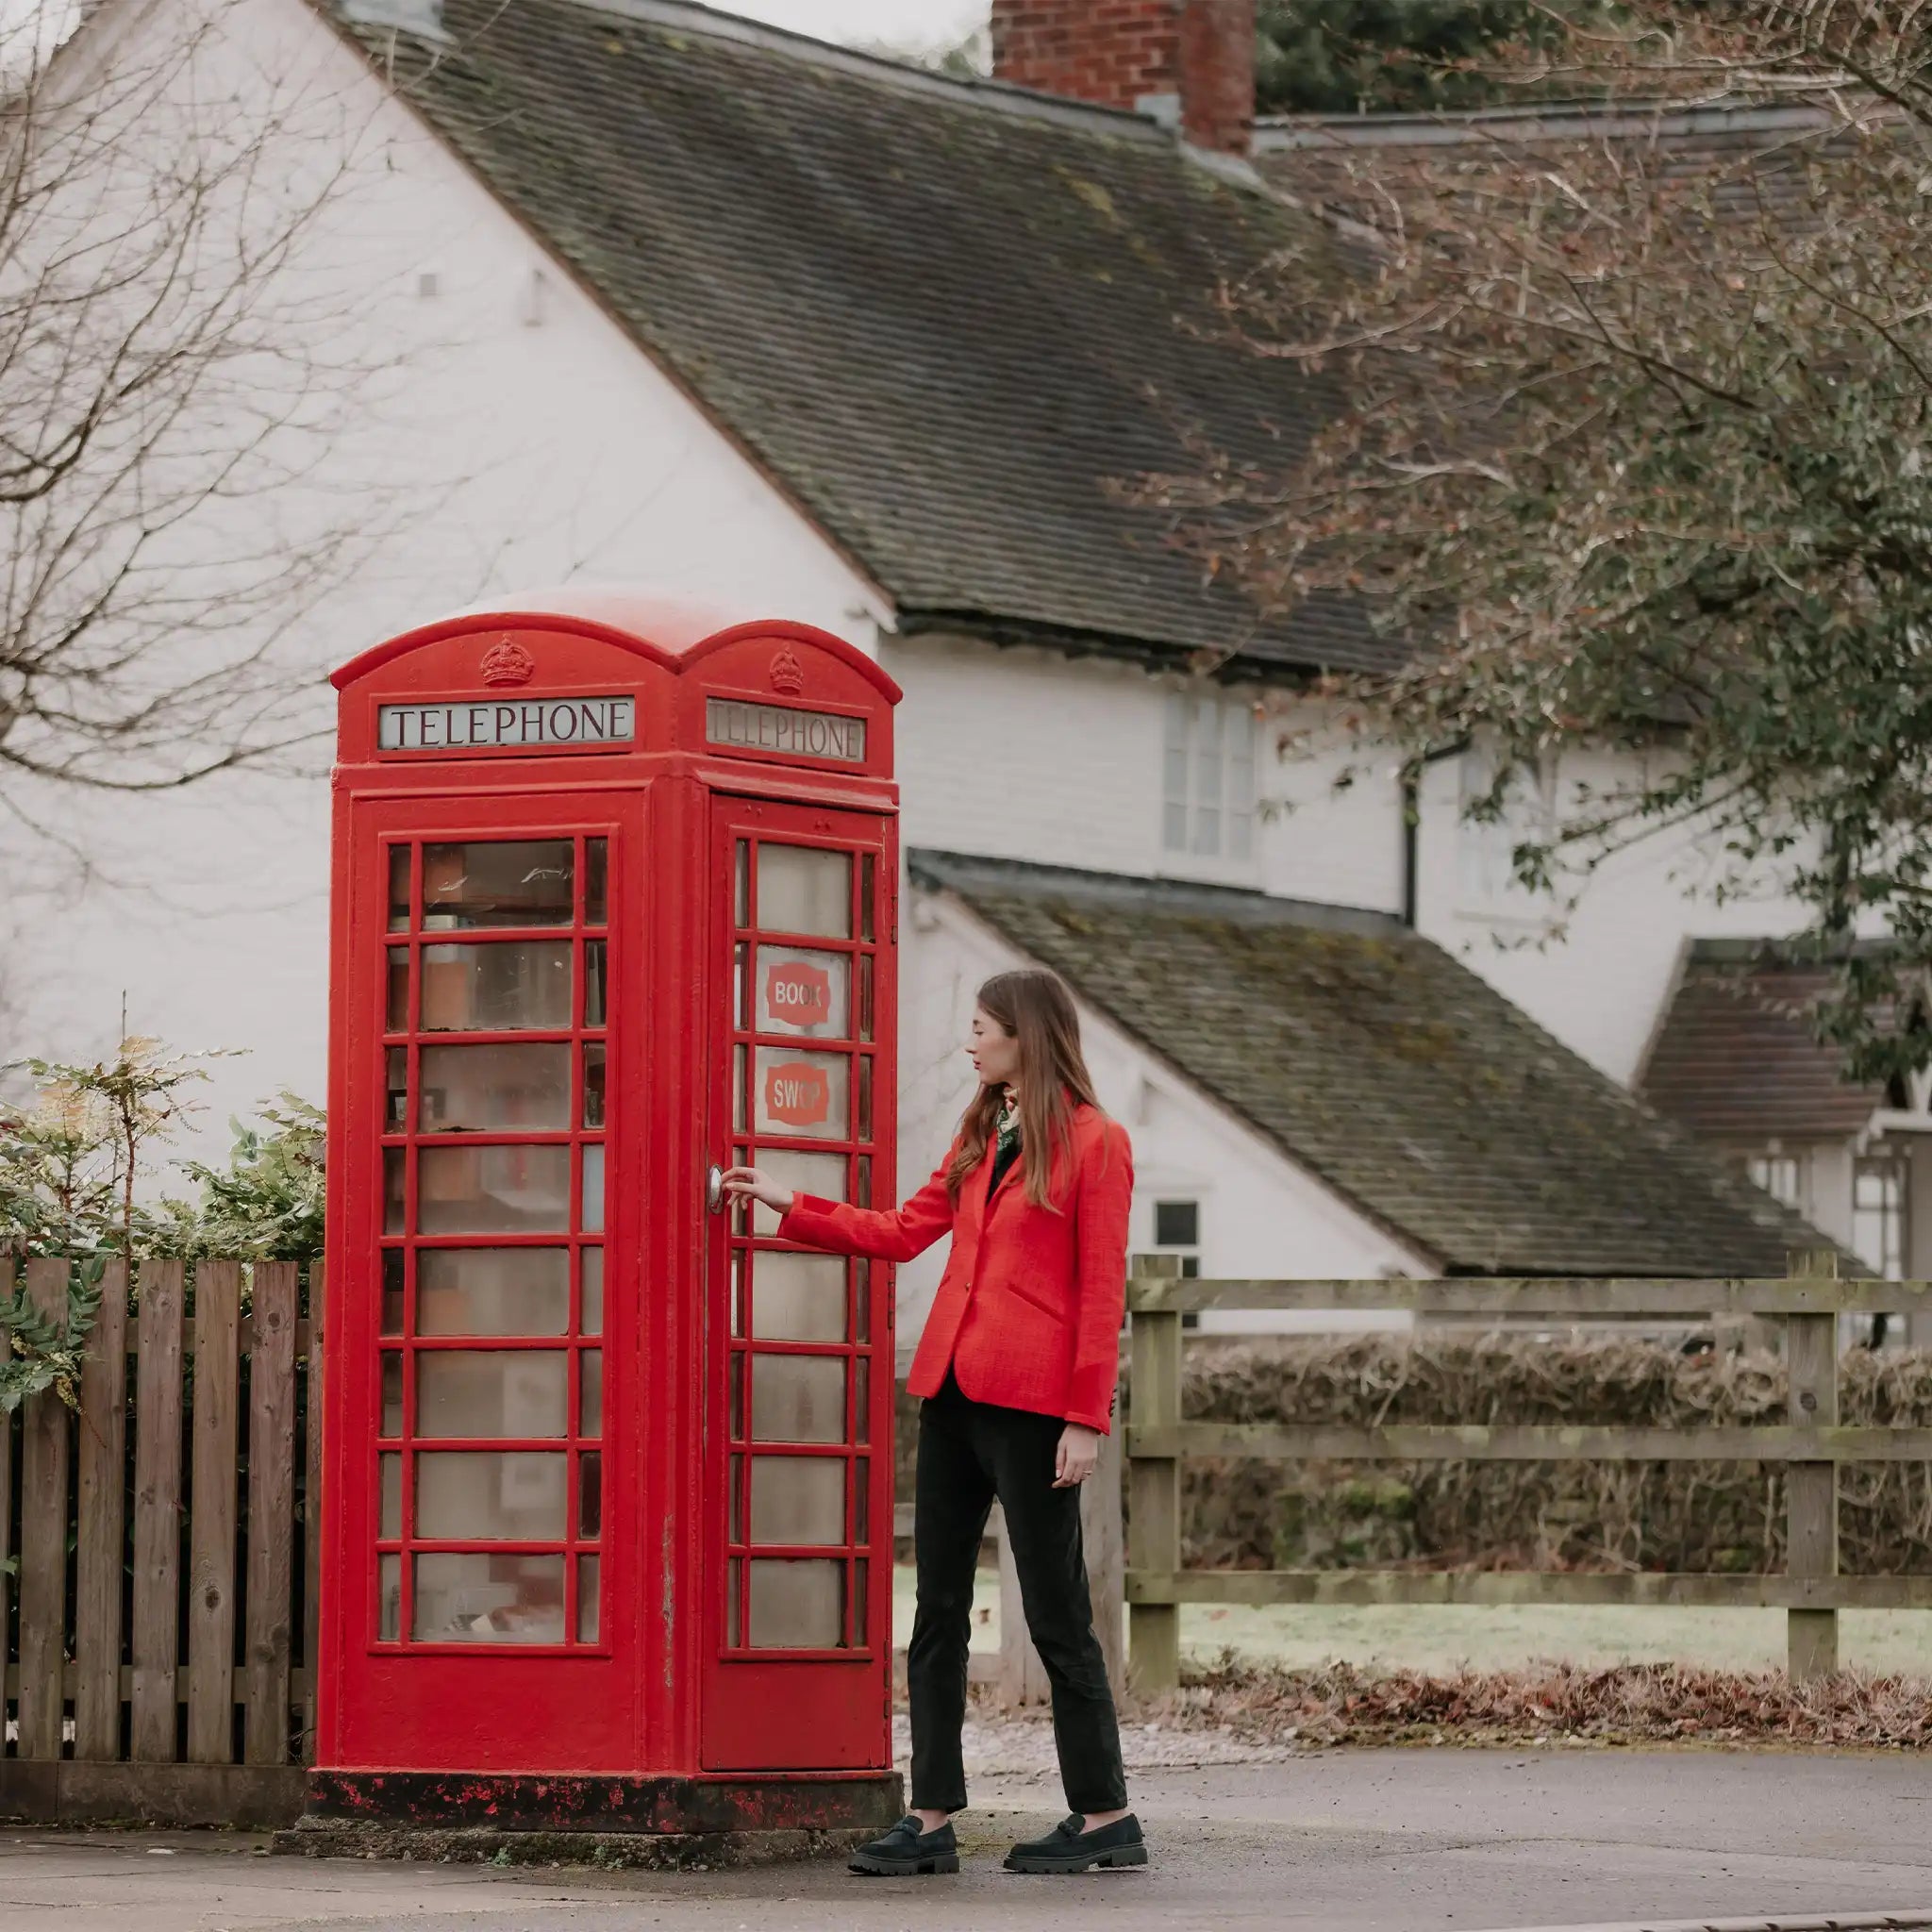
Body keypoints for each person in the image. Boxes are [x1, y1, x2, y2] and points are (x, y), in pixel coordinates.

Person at [723, 968, 1144, 1878]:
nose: (971, 1043)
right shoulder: (979, 1131)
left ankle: (1106, 1813)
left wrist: (1086, 1419)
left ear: (1027, 1036)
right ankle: (932, 1819)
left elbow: (1102, 1290)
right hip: (950, 1395)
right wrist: (789, 1205)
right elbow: (902, 1230)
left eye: (984, 1028)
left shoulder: (1095, 1141)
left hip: (1034, 1409)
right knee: (937, 1611)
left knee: (1059, 1616)